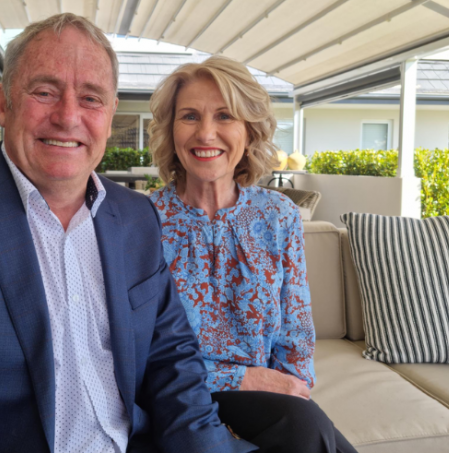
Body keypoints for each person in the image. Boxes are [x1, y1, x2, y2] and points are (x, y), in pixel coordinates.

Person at [0, 15, 257, 453]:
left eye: (91, 98)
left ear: (110, 117)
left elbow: (173, 363)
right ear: (3, 103)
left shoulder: (136, 217)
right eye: (44, 92)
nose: (68, 116)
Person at [148, 56, 357, 453]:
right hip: (176, 394)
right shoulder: (142, 220)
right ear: (171, 130)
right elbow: (136, 351)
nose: (205, 133)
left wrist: (288, 386)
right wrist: (242, 379)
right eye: (190, 116)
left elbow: (296, 333)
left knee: (305, 426)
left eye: (225, 116)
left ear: (249, 130)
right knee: (307, 430)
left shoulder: (279, 215)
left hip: (265, 403)